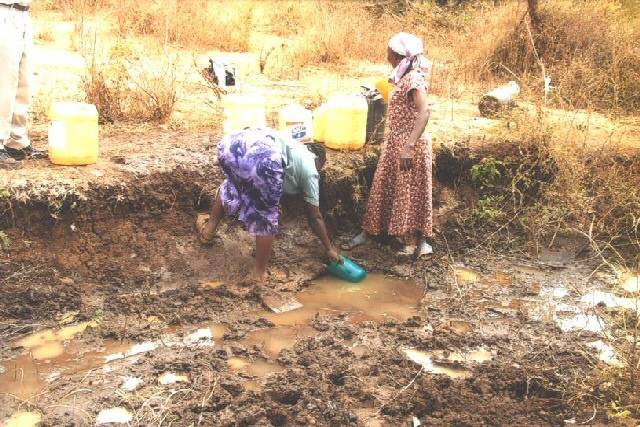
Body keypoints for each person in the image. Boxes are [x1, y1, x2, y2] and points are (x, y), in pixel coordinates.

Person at [198, 128, 340, 283]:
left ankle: (208, 232)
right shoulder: (310, 170)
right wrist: (329, 248)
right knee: (266, 217)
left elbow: (274, 180)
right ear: (320, 161)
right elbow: (315, 217)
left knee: (231, 185)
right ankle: (258, 274)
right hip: (263, 157)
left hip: (230, 145)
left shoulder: (293, 146)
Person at [345, 32, 434, 257]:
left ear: (396, 53)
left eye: (388, 50)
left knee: (411, 192)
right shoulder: (403, 75)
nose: (386, 53)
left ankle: (414, 241)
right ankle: (371, 232)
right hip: (396, 142)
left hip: (409, 145)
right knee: (383, 186)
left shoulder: (414, 78)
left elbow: (424, 112)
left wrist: (409, 146)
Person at [0, 1, 34, 168]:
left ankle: (16, 141)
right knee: (3, 81)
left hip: (22, 13)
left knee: (24, 80)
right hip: (3, 11)